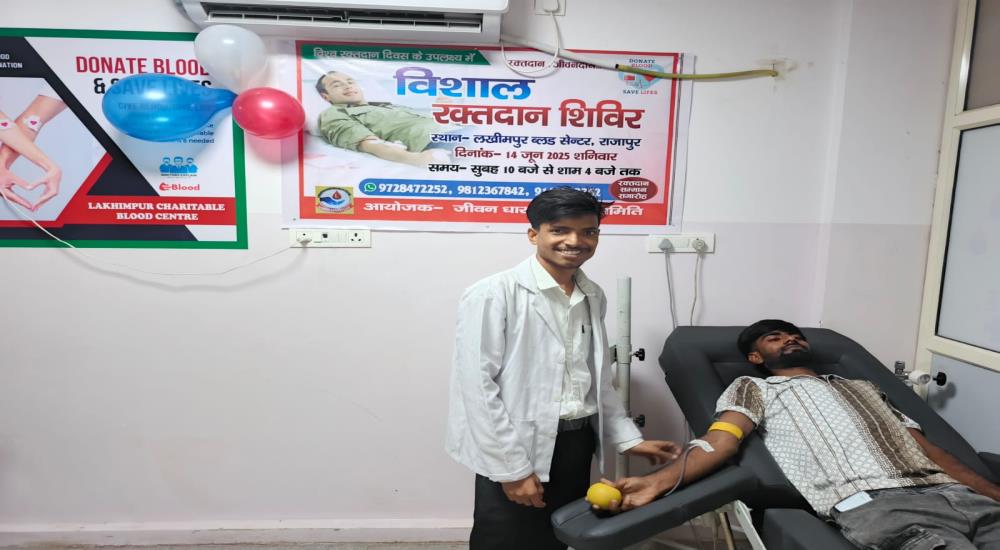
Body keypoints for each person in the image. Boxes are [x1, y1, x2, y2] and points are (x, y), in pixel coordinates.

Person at [599, 319, 1000, 550]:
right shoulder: (753, 387)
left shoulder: (863, 387)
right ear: (756, 357)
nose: (790, 339)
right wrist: (654, 484)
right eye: (774, 338)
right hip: (880, 505)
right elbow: (720, 441)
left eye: (794, 335)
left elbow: (926, 447)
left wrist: (990, 492)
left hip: (958, 496)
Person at [446, 187, 681, 550]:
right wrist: (511, 470)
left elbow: (596, 379)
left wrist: (628, 439)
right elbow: (476, 387)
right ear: (533, 234)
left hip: (576, 441)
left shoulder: (592, 295)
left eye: (588, 231)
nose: (575, 241)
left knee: (560, 534)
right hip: (516, 441)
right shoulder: (493, 293)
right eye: (560, 230)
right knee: (504, 538)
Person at [315, 70, 447, 167]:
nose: (348, 86)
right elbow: (370, 144)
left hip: (453, 132)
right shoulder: (334, 113)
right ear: (326, 96)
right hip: (438, 141)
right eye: (337, 85)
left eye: (350, 82)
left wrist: (444, 114)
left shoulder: (388, 106)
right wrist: (416, 159)